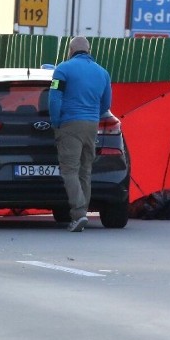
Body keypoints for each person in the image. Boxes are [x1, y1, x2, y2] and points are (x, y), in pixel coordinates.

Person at [49, 36, 112, 232]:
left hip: (70, 124)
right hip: (92, 124)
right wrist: (93, 115)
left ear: (70, 50)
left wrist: (56, 122)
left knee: (70, 170)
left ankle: (78, 213)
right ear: (89, 50)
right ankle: (82, 212)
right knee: (85, 170)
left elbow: (54, 99)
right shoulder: (103, 73)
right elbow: (106, 104)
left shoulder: (63, 70)